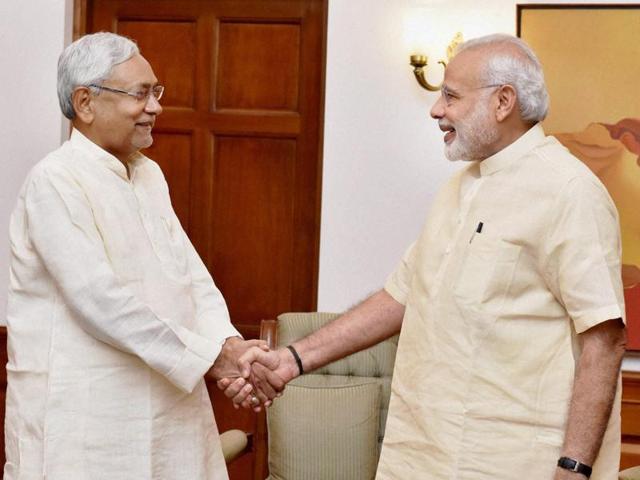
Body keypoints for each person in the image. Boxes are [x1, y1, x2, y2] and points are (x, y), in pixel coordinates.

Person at [221, 34, 627, 479]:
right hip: (419, 454)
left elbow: (603, 339)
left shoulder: (569, 192)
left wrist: (574, 468)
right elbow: (402, 296)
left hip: (507, 463)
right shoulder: (458, 187)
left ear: (503, 101)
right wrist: (292, 360)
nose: (437, 110)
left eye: (451, 96)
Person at [4, 32, 281, 480]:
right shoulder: (54, 181)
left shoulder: (147, 174)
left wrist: (228, 344)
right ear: (86, 102)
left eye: (156, 92)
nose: (155, 106)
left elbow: (190, 275)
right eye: (141, 94)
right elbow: (99, 299)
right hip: (88, 420)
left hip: (169, 409)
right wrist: (213, 359)